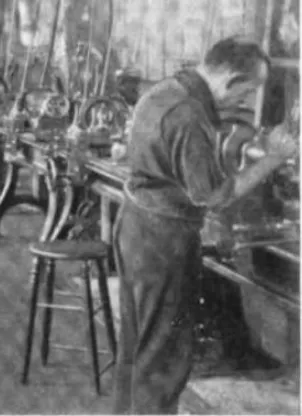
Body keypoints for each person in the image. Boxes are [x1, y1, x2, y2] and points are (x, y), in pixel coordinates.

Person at [113, 36, 298, 414]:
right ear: (229, 79)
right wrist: (275, 157)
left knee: (138, 349)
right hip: (161, 241)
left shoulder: (165, 89)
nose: (244, 102)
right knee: (164, 358)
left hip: (136, 224)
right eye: (247, 92)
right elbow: (214, 196)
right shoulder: (188, 115)